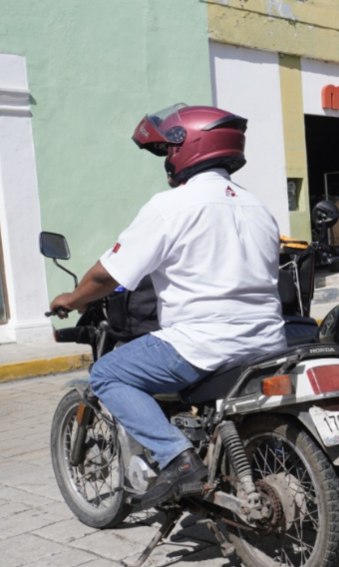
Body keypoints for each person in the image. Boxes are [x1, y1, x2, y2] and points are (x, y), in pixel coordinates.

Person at [49, 104, 287, 510]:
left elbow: (109, 276)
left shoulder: (171, 205)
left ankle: (177, 459)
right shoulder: (257, 208)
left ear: (186, 147)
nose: (167, 162)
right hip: (268, 341)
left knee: (107, 373)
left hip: (203, 343)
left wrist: (71, 300)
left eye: (168, 152)